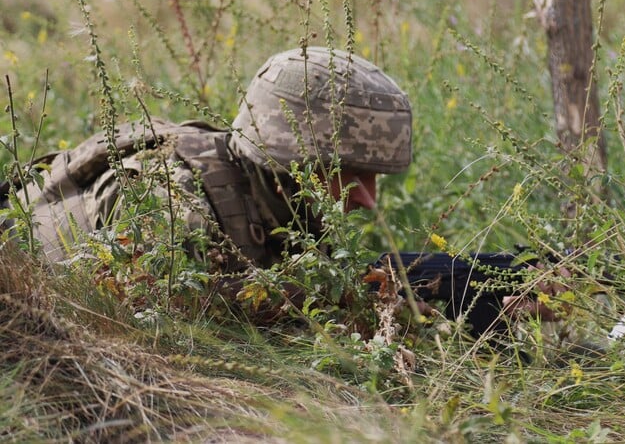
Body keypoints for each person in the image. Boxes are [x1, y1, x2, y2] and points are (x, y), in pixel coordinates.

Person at [0, 46, 413, 316]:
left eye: (372, 177)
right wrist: (345, 302)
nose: (368, 199)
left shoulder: (282, 203)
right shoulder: (168, 200)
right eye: (348, 175)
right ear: (284, 163)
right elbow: (168, 310)